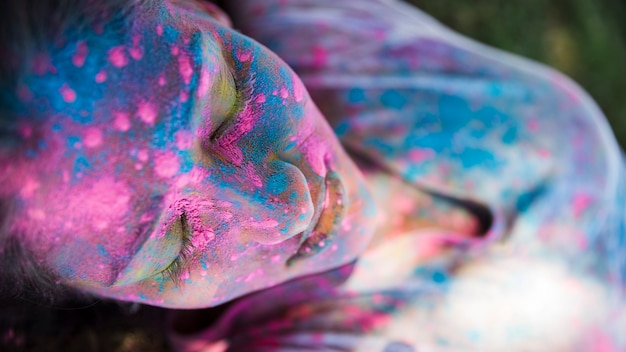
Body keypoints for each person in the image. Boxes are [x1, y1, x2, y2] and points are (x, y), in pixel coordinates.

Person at [1, 0, 624, 350]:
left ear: (197, 10)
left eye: (227, 105)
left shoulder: (314, 26)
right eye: (172, 243)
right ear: (114, 299)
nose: (290, 208)